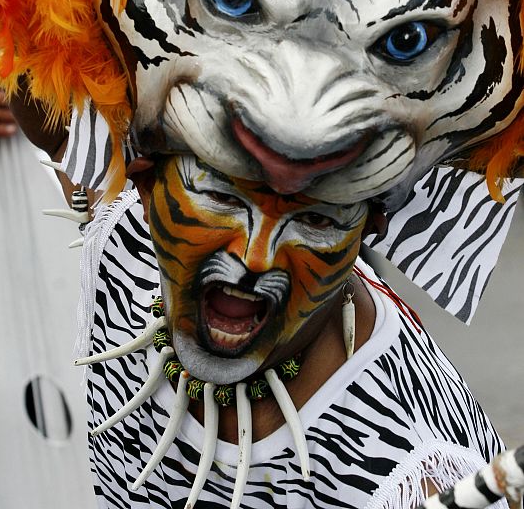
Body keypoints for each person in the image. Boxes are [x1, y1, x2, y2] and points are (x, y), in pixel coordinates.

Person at [72, 154, 506, 509]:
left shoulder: (399, 475)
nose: (253, 258)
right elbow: (40, 80)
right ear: (147, 184)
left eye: (315, 218)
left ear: (366, 232)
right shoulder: (125, 243)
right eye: (223, 193)